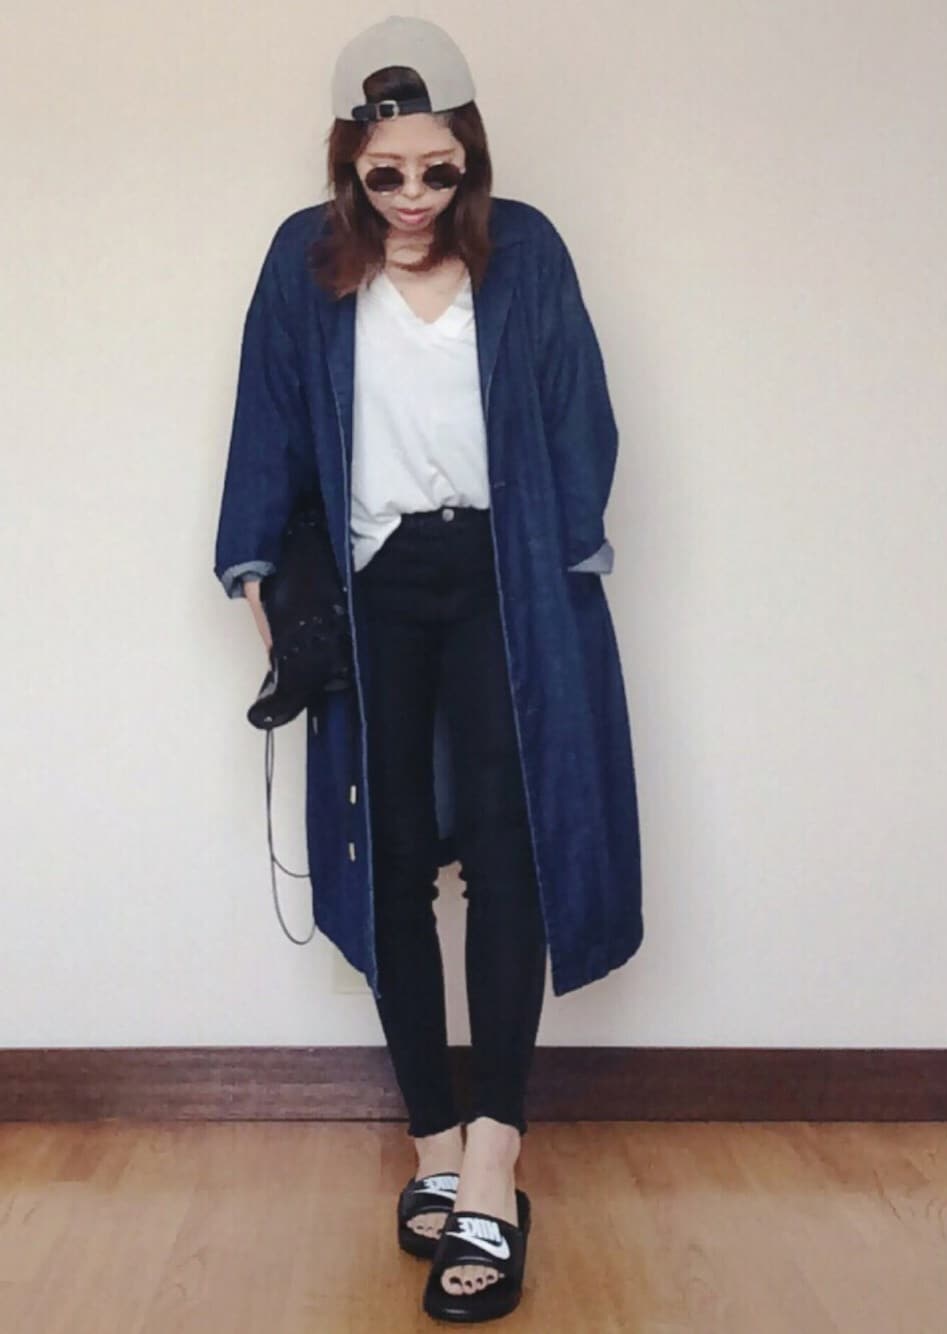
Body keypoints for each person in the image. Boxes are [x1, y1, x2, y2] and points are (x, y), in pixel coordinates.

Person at [214, 14, 643, 1324]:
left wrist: (559, 577)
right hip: (374, 586)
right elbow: (268, 423)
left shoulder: (529, 254)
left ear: (473, 157)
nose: (411, 197)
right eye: (384, 172)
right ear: (347, 161)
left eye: (437, 170)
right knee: (392, 854)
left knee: (511, 851)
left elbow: (580, 424)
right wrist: (262, 585)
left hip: (501, 578)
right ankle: (435, 1146)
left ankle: (496, 1163)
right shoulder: (305, 260)